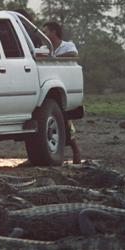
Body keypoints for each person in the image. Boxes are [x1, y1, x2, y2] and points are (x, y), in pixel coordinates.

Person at [42, 20, 82, 163]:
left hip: (64, 87)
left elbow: (73, 54)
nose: (44, 34)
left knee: (65, 121)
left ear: (54, 32)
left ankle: (75, 150)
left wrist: (53, 59)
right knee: (59, 122)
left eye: (46, 31)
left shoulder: (67, 45)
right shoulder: (45, 48)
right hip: (51, 88)